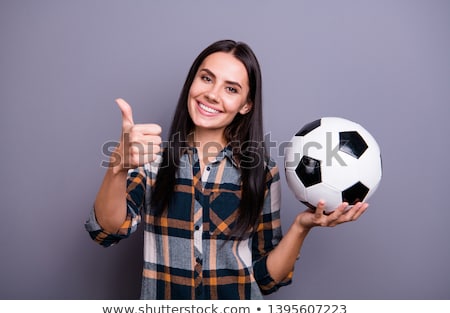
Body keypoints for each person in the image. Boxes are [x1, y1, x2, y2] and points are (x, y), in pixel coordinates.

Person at [85, 39, 368, 299]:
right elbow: (107, 232)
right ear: (192, 82)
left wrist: (301, 227)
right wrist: (117, 167)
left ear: (246, 105)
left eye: (231, 89)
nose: (212, 94)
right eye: (206, 79)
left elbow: (266, 280)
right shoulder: (151, 159)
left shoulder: (261, 172)